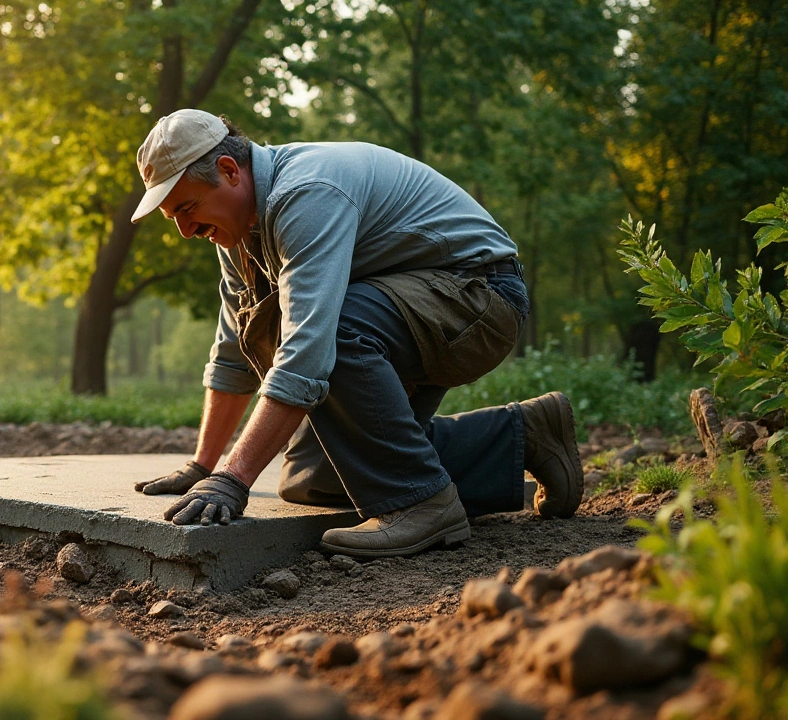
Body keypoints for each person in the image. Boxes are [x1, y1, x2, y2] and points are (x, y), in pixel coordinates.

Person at [130, 108, 584, 558]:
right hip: (406, 312)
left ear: (229, 171)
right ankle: (523, 434)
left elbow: (307, 349)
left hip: (478, 298)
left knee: (331, 327)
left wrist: (234, 478)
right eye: (174, 218)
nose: (187, 230)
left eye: (187, 208)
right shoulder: (235, 232)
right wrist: (204, 465)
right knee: (314, 476)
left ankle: (421, 503)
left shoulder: (305, 193)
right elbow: (233, 349)